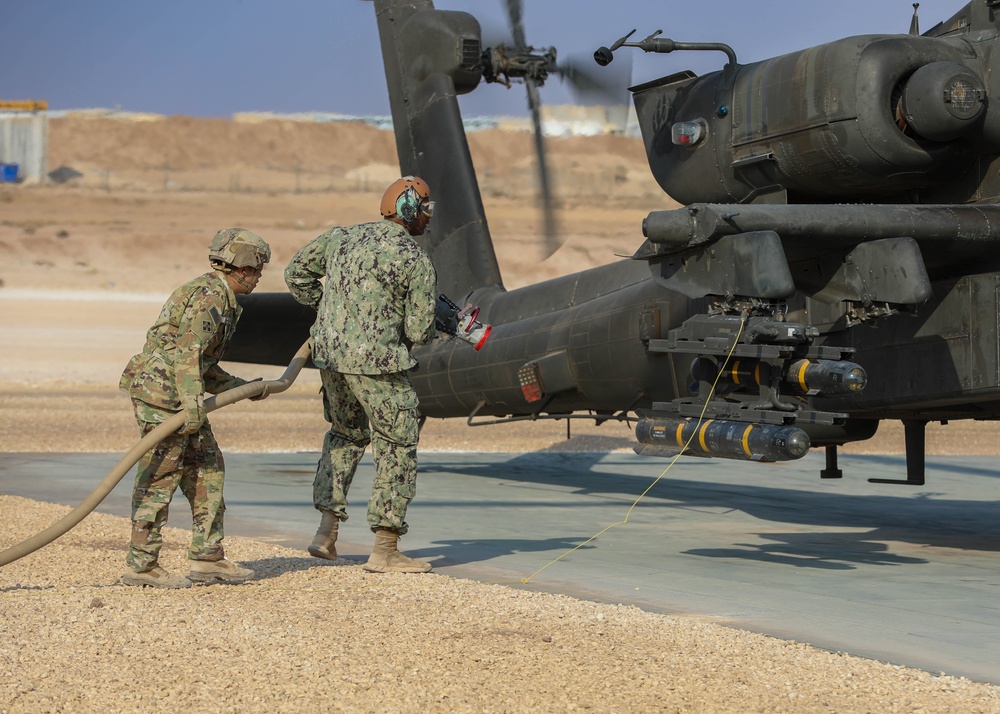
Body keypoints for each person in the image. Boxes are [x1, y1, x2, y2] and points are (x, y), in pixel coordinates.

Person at [284, 176, 437, 573]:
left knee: (345, 434)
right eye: (424, 210)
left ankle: (325, 533)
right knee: (397, 444)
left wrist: (332, 313)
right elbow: (420, 331)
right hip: (378, 366)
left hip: (331, 359)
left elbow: (295, 274)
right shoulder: (414, 258)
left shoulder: (340, 238)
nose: (427, 218)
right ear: (408, 211)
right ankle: (385, 549)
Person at [119, 228, 271, 588]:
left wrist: (241, 388)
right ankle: (141, 565)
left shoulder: (219, 294)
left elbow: (202, 363)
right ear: (243, 267)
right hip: (162, 396)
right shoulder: (211, 298)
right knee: (160, 476)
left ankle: (207, 558)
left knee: (208, 469)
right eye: (258, 268)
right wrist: (191, 405)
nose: (260, 276)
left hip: (180, 394)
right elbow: (187, 353)